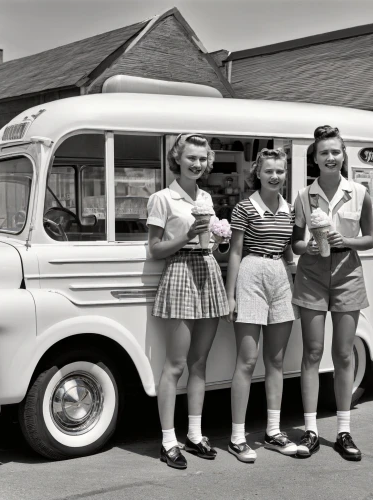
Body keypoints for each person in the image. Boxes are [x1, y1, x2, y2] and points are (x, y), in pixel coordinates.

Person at [291, 125, 373, 461]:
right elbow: (294, 243)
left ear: (344, 156)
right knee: (312, 352)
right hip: (312, 275)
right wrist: (307, 247)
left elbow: (370, 239)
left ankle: (343, 431)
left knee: (343, 354)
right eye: (324, 152)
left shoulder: (360, 193)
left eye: (335, 152)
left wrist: (347, 241)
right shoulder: (301, 196)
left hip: (347, 274)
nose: (330, 157)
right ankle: (311, 430)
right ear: (314, 157)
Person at [147, 134, 229, 470]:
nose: (196, 164)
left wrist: (219, 239)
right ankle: (168, 441)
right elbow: (155, 249)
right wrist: (189, 234)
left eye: (202, 159)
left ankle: (194, 434)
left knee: (199, 362)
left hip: (206, 269)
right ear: (178, 159)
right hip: (179, 269)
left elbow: (209, 245)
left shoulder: (206, 196)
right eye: (190, 158)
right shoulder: (162, 198)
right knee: (175, 364)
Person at [225, 148, 299, 463]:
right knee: (247, 359)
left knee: (276, 360)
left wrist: (295, 278)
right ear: (258, 172)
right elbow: (235, 252)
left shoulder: (290, 210)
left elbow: (288, 251)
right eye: (268, 171)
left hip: (280, 278)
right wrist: (230, 295)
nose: (274, 176)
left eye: (280, 171)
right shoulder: (244, 207)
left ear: (285, 173)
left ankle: (272, 431)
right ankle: (237, 436)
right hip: (251, 275)